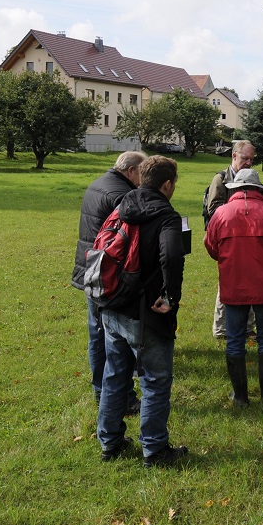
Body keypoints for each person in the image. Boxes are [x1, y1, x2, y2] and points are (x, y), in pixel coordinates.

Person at [96, 155, 188, 468]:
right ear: (167, 183)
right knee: (155, 382)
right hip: (144, 312)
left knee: (114, 376)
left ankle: (109, 442)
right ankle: (155, 450)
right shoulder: (166, 215)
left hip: (111, 305)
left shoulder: (123, 204)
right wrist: (170, 296)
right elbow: (172, 256)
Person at [206, 169, 263, 407]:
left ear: (235, 189)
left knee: (235, 340)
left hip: (234, 284)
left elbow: (211, 247)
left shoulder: (221, 214)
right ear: (258, 189)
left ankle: (240, 397)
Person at [71, 150, 147, 411]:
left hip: (90, 270)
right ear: (130, 171)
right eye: (142, 172)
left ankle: (100, 390)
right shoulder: (122, 195)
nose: (145, 178)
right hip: (108, 275)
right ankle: (119, 397)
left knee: (97, 333)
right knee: (116, 341)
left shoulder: (97, 184)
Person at [205, 140, 263, 340]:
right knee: (228, 285)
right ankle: (221, 330)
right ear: (234, 156)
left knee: (250, 285)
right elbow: (213, 211)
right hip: (229, 240)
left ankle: (246, 328)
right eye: (245, 158)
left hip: (251, 240)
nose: (249, 162)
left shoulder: (254, 179)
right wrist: (237, 213)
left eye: (252, 159)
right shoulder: (220, 179)